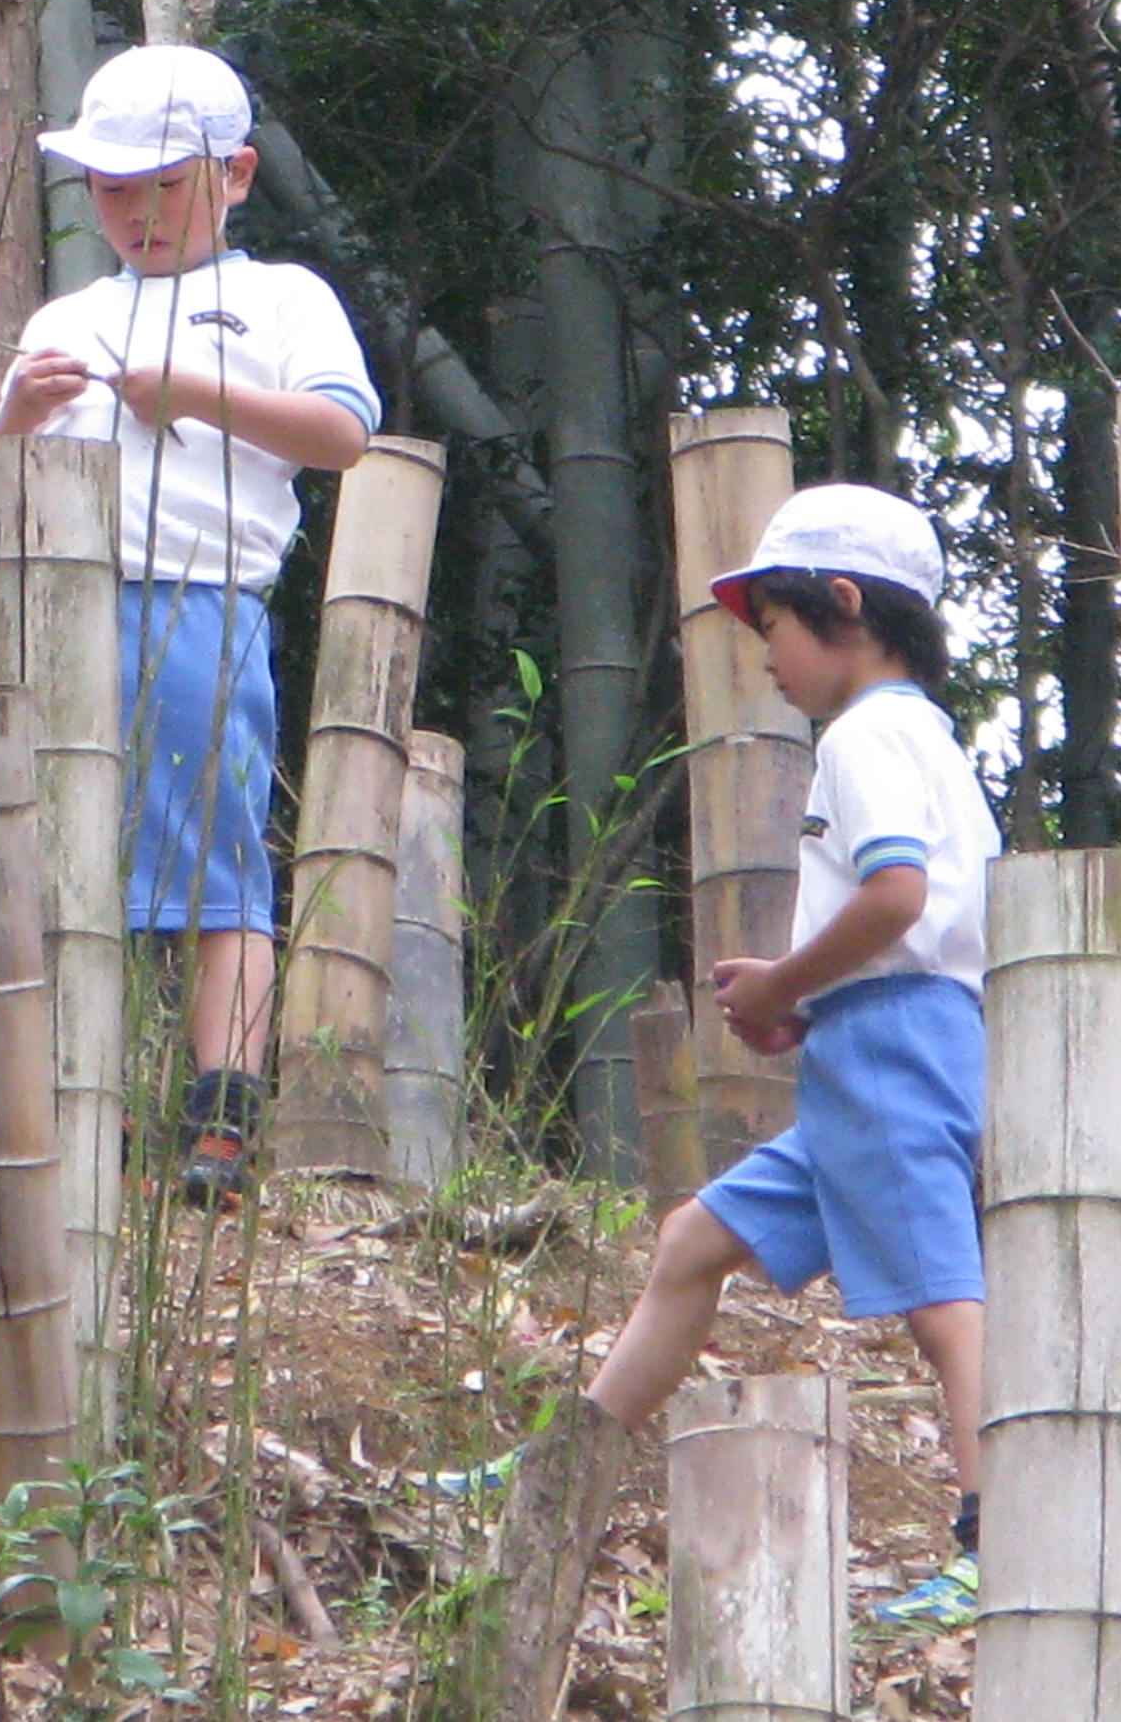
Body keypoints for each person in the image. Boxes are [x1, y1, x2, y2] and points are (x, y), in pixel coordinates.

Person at [459, 484, 997, 1641]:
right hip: (881, 1039)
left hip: (896, 1049)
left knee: (946, 1299)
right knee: (691, 1240)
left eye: (772, 630)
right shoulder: (925, 740)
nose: (766, 663)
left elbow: (898, 895)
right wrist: (810, 1005)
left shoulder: (863, 738)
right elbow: (921, 919)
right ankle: (559, 1467)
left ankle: (994, 1537)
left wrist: (782, 984)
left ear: (842, 604)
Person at [0, 44, 377, 1203]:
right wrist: (15, 409)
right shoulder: (67, 314)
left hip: (204, 610)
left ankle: (221, 1118)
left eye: (164, 183)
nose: (137, 210)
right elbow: (3, 477)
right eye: (113, 188)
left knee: (215, 868)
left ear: (236, 175)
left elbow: (342, 432)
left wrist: (192, 389)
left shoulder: (281, 299)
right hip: (56, 613)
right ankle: (71, 1109)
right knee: (55, 862)